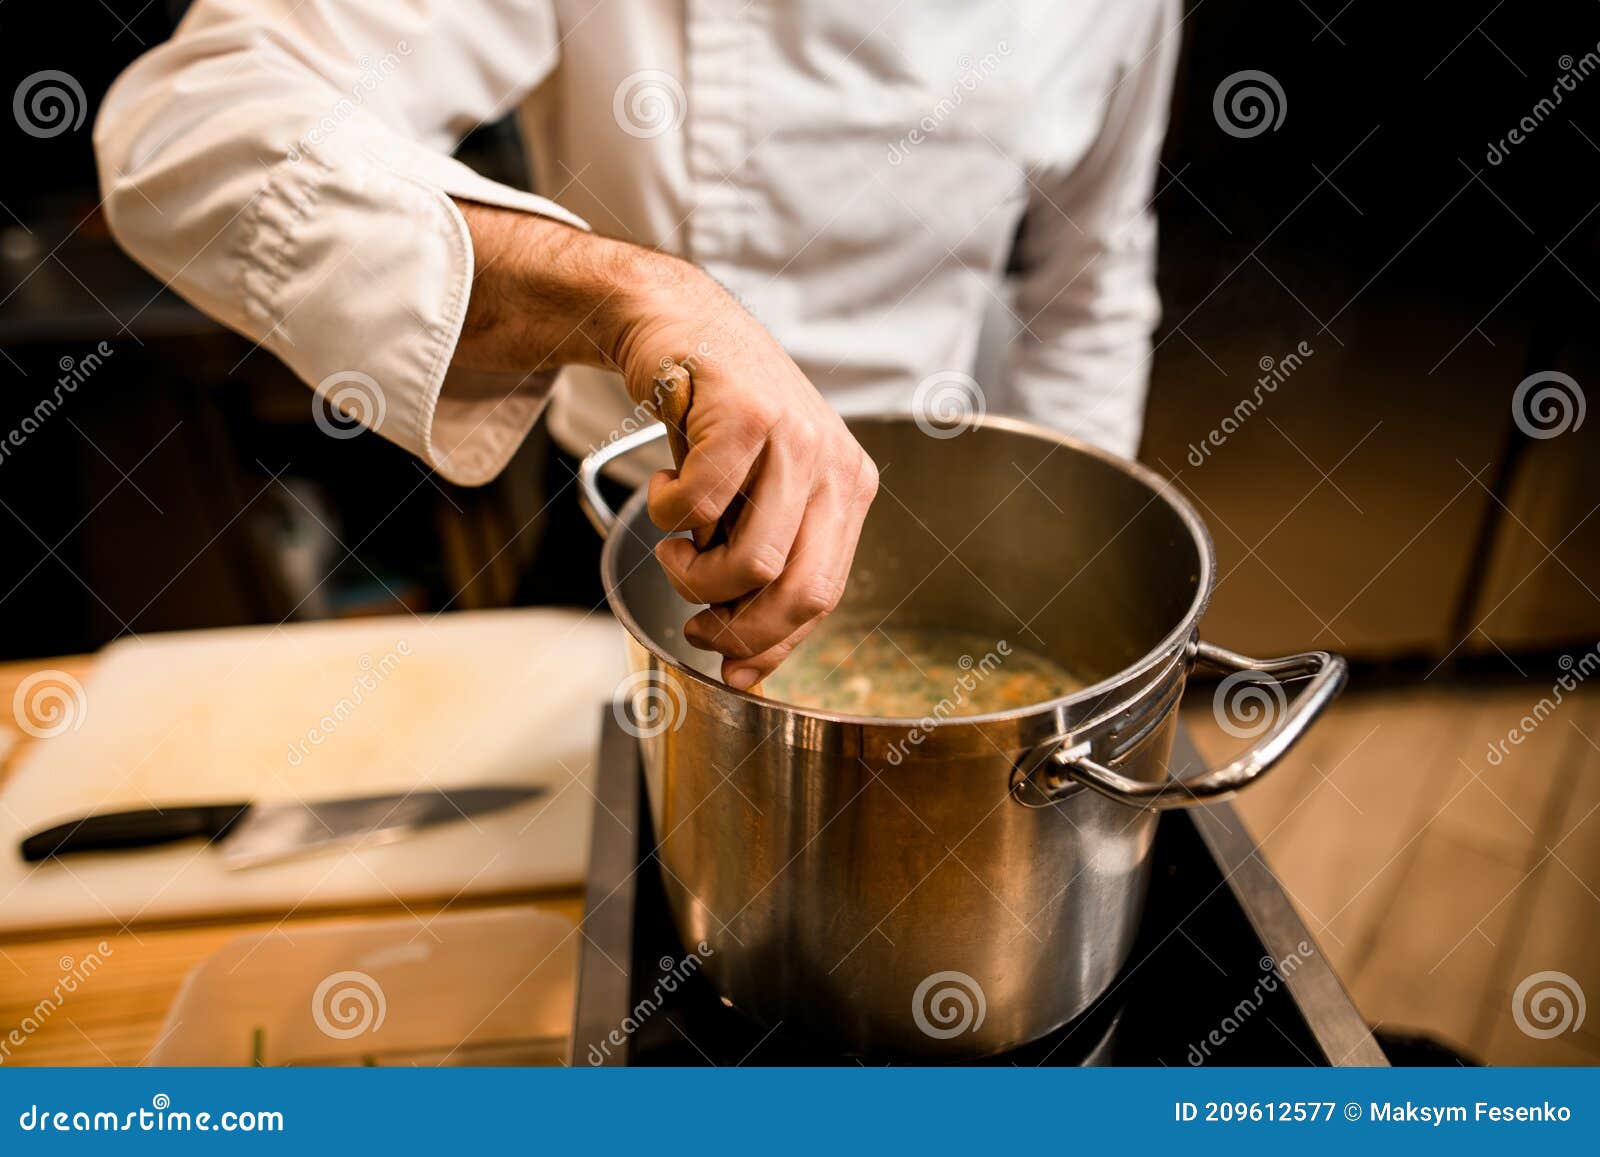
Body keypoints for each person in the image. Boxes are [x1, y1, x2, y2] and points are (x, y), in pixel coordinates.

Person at [94, 0, 1179, 688]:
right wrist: (632, 298)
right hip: (642, 530)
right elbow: (186, 131)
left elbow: (1090, 283)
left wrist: (1051, 578)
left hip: (945, 519)